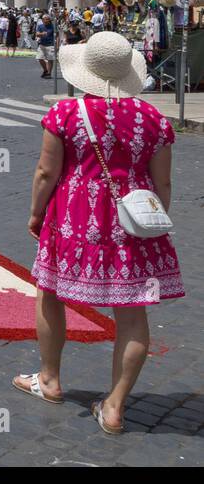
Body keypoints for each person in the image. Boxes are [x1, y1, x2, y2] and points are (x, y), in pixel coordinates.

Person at [16, 32, 182, 435]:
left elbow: (45, 172)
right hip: (132, 223)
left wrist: (35, 214)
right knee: (132, 312)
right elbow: (164, 186)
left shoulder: (66, 114)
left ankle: (50, 379)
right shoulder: (154, 120)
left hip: (72, 217)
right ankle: (114, 405)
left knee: (50, 292)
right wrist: (148, 224)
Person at [35, 14, 56, 79]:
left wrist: (57, 45)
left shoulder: (53, 26)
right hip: (42, 44)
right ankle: (45, 70)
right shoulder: (40, 26)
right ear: (42, 20)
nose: (46, 20)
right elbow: (37, 34)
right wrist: (42, 34)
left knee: (50, 59)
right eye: (45, 19)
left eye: (47, 19)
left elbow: (57, 36)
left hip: (51, 44)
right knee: (40, 58)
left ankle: (49, 73)